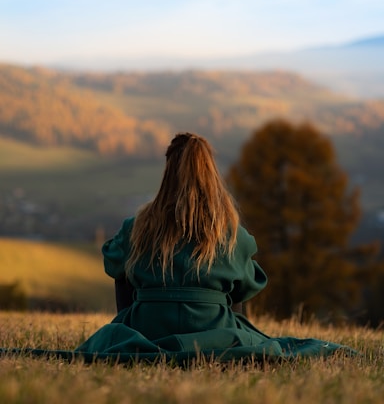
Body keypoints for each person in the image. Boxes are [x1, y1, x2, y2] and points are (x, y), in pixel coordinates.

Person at [0, 132, 354, 364]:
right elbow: (243, 290)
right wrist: (237, 335)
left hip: (143, 328)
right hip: (216, 330)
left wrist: (129, 319)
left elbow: (115, 267)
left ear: (168, 170)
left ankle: (129, 325)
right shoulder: (231, 232)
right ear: (211, 172)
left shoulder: (137, 226)